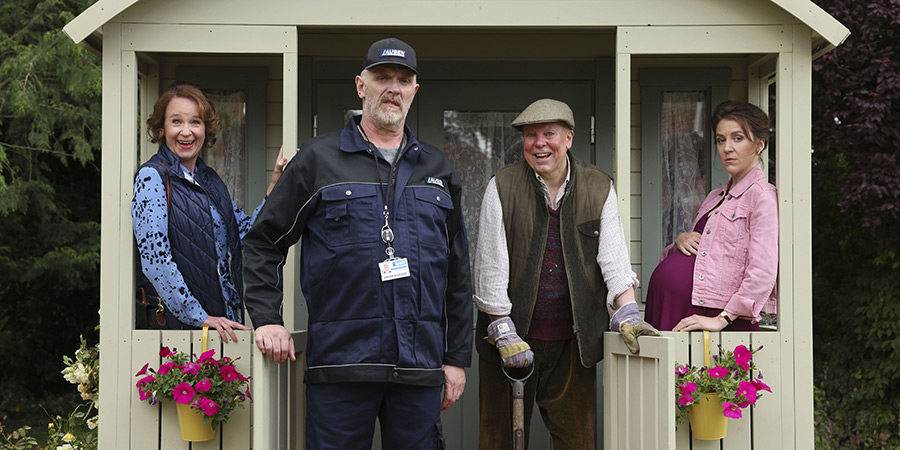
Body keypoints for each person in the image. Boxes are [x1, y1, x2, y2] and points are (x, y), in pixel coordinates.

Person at [241, 38, 472, 449]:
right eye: (382, 77)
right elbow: (263, 242)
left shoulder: (438, 169)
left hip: (418, 369)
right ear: (360, 86)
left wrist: (455, 358)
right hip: (342, 366)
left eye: (404, 80)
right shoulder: (316, 160)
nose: (393, 88)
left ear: (414, 91)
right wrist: (267, 317)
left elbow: (457, 272)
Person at [473, 98, 660, 449]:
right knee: (499, 441)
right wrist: (501, 327)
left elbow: (614, 259)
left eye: (549, 134)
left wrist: (627, 310)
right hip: (510, 342)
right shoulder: (502, 186)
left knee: (577, 441)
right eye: (530, 135)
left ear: (569, 138)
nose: (539, 143)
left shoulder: (599, 186)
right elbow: (490, 266)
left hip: (573, 346)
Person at [132, 82, 287, 342]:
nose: (186, 132)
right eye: (176, 122)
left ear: (206, 129)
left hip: (223, 325)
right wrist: (199, 316)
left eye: (195, 122)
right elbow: (155, 260)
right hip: (181, 332)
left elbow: (248, 233)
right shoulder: (152, 177)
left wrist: (273, 188)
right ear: (162, 128)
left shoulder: (210, 179)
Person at [644, 100, 778, 332]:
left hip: (714, 317)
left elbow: (762, 272)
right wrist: (680, 242)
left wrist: (722, 319)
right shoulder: (715, 197)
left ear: (759, 144)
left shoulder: (762, 197)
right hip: (674, 305)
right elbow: (702, 257)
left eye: (738, 138)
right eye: (720, 140)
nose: (727, 148)